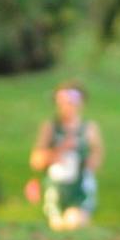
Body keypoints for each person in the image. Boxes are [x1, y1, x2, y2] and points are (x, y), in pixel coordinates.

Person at [30, 83, 104, 230]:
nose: (67, 106)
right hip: (56, 190)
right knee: (57, 226)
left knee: (73, 222)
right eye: (62, 101)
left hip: (79, 188)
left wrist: (90, 161)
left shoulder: (89, 129)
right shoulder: (50, 128)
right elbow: (36, 161)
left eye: (71, 102)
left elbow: (96, 157)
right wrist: (59, 150)